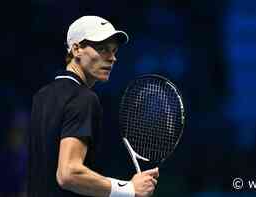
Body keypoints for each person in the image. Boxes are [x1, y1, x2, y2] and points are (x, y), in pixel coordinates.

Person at [27, 15, 159, 197]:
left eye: (114, 51)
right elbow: (68, 174)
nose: (112, 58)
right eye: (102, 49)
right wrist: (129, 189)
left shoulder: (41, 96)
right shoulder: (84, 99)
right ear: (76, 49)